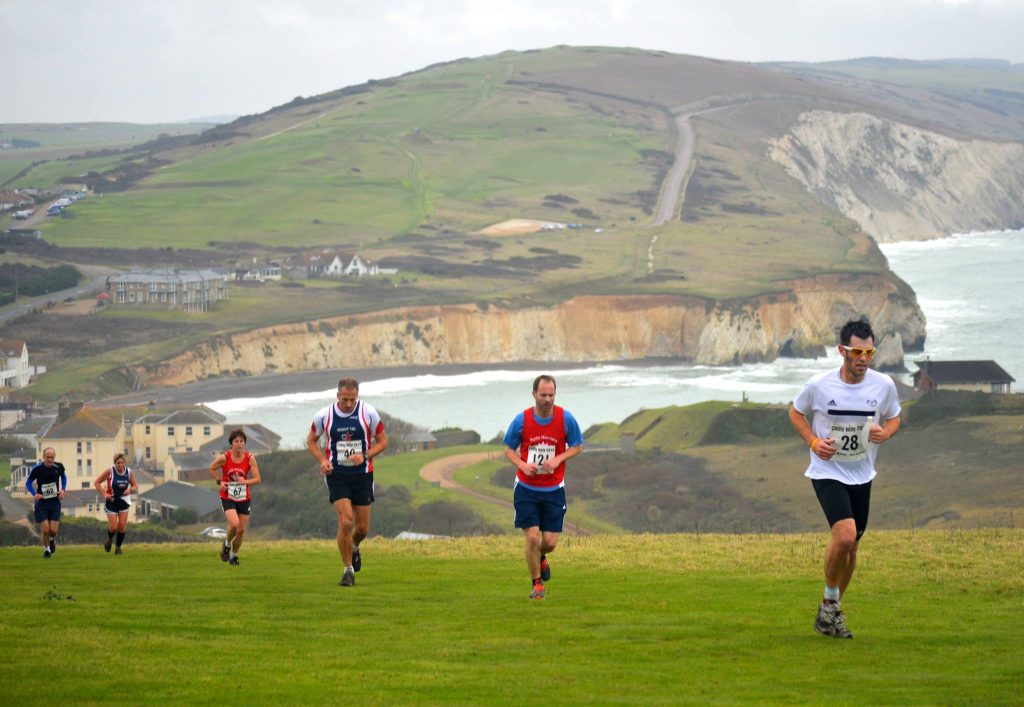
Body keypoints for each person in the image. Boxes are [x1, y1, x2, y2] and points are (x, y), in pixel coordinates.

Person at [788, 320, 902, 639]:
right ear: (843, 351)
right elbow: (796, 413)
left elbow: (894, 418)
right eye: (857, 351)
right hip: (826, 471)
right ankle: (829, 603)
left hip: (862, 474)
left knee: (851, 551)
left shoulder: (884, 386)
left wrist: (885, 433)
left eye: (869, 351)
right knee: (845, 537)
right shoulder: (819, 385)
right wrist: (813, 442)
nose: (863, 358)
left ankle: (831, 610)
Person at [503, 374, 583, 600]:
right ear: (534, 394)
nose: (547, 399)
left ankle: (541, 556)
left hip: (554, 489)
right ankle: (537, 585)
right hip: (527, 488)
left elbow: (577, 445)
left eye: (551, 395)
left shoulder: (566, 418)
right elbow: (508, 448)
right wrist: (521, 464)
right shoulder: (522, 420)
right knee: (531, 538)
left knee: (549, 542)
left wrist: (558, 459)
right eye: (543, 395)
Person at [306, 377, 388, 587]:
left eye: (352, 399)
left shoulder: (368, 413)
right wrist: (323, 460)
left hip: (362, 474)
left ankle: (354, 547)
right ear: (337, 396)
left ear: (357, 396)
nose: (349, 404)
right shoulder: (324, 416)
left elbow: (383, 442)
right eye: (345, 400)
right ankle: (347, 571)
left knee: (361, 529)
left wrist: (365, 455)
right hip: (337, 474)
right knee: (346, 521)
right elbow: (311, 441)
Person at [209, 429, 261, 566]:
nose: (239, 444)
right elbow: (212, 468)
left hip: (244, 497)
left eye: (241, 441)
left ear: (244, 443)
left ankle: (234, 556)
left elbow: (257, 479)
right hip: (228, 496)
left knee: (241, 530)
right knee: (234, 524)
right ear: (231, 444)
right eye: (236, 441)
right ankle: (226, 545)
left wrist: (246, 482)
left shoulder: (250, 458)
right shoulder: (224, 457)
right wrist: (220, 482)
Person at [93, 453, 139, 555]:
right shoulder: (110, 471)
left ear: (125, 463)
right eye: (118, 463)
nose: (120, 465)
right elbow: (97, 483)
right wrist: (104, 494)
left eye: (122, 463)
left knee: (122, 526)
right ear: (115, 463)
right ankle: (109, 540)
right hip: (112, 502)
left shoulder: (129, 472)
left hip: (123, 501)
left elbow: (135, 485)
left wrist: (130, 490)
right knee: (114, 527)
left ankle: (118, 548)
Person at [26, 447, 67, 558]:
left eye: (51, 457)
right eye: (47, 457)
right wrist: (35, 494)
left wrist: (63, 490)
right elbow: (28, 482)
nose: (49, 459)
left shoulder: (59, 467)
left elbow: (63, 477)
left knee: (53, 530)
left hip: (54, 502)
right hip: (42, 503)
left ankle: (52, 539)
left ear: (54, 457)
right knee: (45, 529)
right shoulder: (37, 468)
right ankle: (47, 550)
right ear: (43, 457)